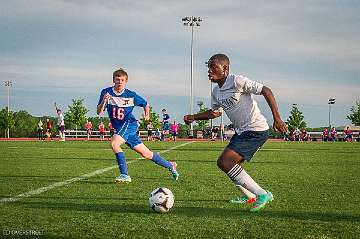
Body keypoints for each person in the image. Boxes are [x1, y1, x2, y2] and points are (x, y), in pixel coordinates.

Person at [183, 54, 287, 212]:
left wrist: (277, 118)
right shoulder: (216, 92)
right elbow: (215, 113)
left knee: (225, 162)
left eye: (213, 67)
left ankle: (262, 194)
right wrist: (194, 117)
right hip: (242, 131)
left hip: (256, 129)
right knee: (228, 164)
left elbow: (266, 90)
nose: (209, 71)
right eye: (208, 68)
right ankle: (249, 195)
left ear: (225, 69)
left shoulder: (237, 81)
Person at [97, 68, 179, 183]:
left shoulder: (131, 95)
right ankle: (170, 165)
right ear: (113, 80)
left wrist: (147, 115)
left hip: (129, 124)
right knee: (146, 154)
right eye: (117, 79)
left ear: (126, 81)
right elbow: (99, 112)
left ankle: (124, 175)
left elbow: (145, 104)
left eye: (122, 80)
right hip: (120, 127)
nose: (119, 82)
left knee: (114, 144)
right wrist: (103, 102)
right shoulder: (106, 92)